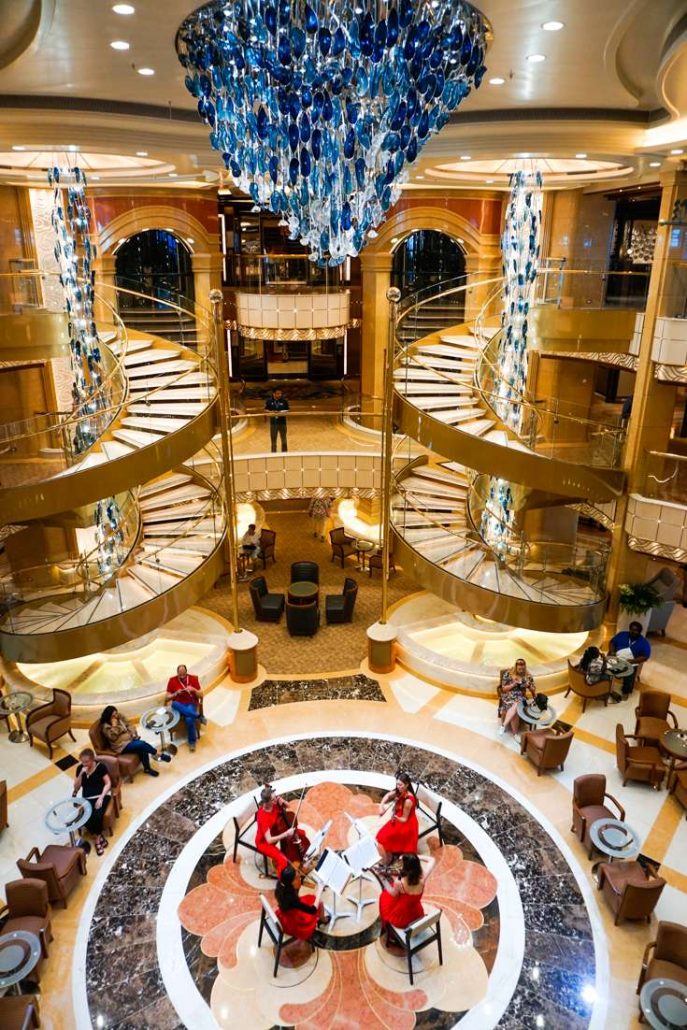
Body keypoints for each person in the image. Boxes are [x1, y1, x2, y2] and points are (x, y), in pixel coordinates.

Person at [100, 705, 171, 777]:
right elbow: (113, 737)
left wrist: (132, 733)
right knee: (142, 744)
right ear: (108, 716)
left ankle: (147, 769)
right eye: (113, 715)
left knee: (142, 748)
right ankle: (159, 754)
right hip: (121, 746)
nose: (116, 716)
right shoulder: (106, 727)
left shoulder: (120, 717)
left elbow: (129, 724)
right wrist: (114, 726)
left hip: (131, 739)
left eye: (116, 713)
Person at [379, 853, 435, 942]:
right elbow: (432, 860)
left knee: (383, 897)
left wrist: (383, 880)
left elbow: (393, 894)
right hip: (416, 913)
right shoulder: (422, 878)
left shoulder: (400, 883)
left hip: (402, 918)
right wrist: (415, 858)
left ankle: (392, 934)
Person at [255, 785, 306, 877]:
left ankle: (297, 856)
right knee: (282, 860)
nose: (276, 800)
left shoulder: (275, 803)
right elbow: (269, 840)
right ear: (267, 802)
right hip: (264, 843)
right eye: (274, 799)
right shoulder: (262, 816)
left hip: (275, 831)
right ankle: (282, 882)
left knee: (301, 834)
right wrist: (286, 834)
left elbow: (288, 806)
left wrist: (283, 802)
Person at [72, 749, 112, 856]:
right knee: (85, 818)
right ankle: (100, 836)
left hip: (101, 796)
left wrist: (101, 798)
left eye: (86, 762)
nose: (84, 764)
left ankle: (97, 840)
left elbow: (108, 783)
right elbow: (76, 787)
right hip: (87, 798)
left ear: (92, 759)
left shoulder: (100, 767)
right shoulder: (80, 768)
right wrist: (81, 774)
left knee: (97, 815)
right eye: (82, 762)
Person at [274, 865, 329, 941]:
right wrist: (319, 890)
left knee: (311, 898)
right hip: (295, 921)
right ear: (291, 882)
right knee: (319, 902)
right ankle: (324, 920)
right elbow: (312, 910)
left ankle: (322, 919)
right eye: (297, 878)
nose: (299, 878)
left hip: (286, 912)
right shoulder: (292, 899)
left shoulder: (281, 885)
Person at [375, 773, 419, 868]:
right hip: (398, 818)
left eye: (400, 785)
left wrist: (395, 817)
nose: (398, 787)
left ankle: (386, 861)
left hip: (406, 824)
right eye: (397, 784)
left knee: (383, 838)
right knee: (381, 836)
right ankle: (389, 856)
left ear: (407, 784)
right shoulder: (399, 791)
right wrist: (381, 806)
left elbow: (404, 819)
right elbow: (387, 796)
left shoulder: (408, 800)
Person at [166, 664, 207, 752]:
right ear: (177, 673)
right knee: (174, 704)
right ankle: (198, 716)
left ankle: (192, 743)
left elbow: (201, 695)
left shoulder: (193, 679)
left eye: (184, 674)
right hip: (178, 705)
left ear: (186, 672)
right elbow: (167, 697)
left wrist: (193, 689)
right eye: (180, 675)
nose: (182, 677)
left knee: (189, 719)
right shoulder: (172, 680)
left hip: (190, 703)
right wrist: (176, 693)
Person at [609, 620, 651, 696]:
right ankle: (606, 687)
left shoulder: (644, 642)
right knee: (605, 669)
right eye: (631, 629)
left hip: (631, 662)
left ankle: (626, 691)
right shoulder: (622, 635)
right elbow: (612, 642)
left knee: (629, 676)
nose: (633, 632)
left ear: (639, 632)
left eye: (635, 631)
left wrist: (633, 661)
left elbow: (645, 656)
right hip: (616, 658)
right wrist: (612, 652)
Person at [499, 658, 536, 736]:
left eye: (523, 669)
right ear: (516, 667)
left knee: (516, 704)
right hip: (508, 696)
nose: (521, 671)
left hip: (521, 697)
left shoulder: (528, 676)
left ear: (525, 667)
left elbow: (533, 690)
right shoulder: (508, 674)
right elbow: (504, 689)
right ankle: (515, 734)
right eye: (519, 669)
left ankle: (503, 726)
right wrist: (513, 684)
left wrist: (528, 686)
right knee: (516, 707)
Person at [265, 387, 289, 452]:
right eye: (278, 393)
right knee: (273, 440)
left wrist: (281, 412)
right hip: (273, 424)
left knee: (284, 439)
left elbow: (287, 410)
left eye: (280, 393)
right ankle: (273, 454)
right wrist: (271, 412)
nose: (279, 395)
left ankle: (284, 453)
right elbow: (266, 410)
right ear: (274, 394)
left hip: (283, 423)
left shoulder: (284, 401)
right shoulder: (269, 401)